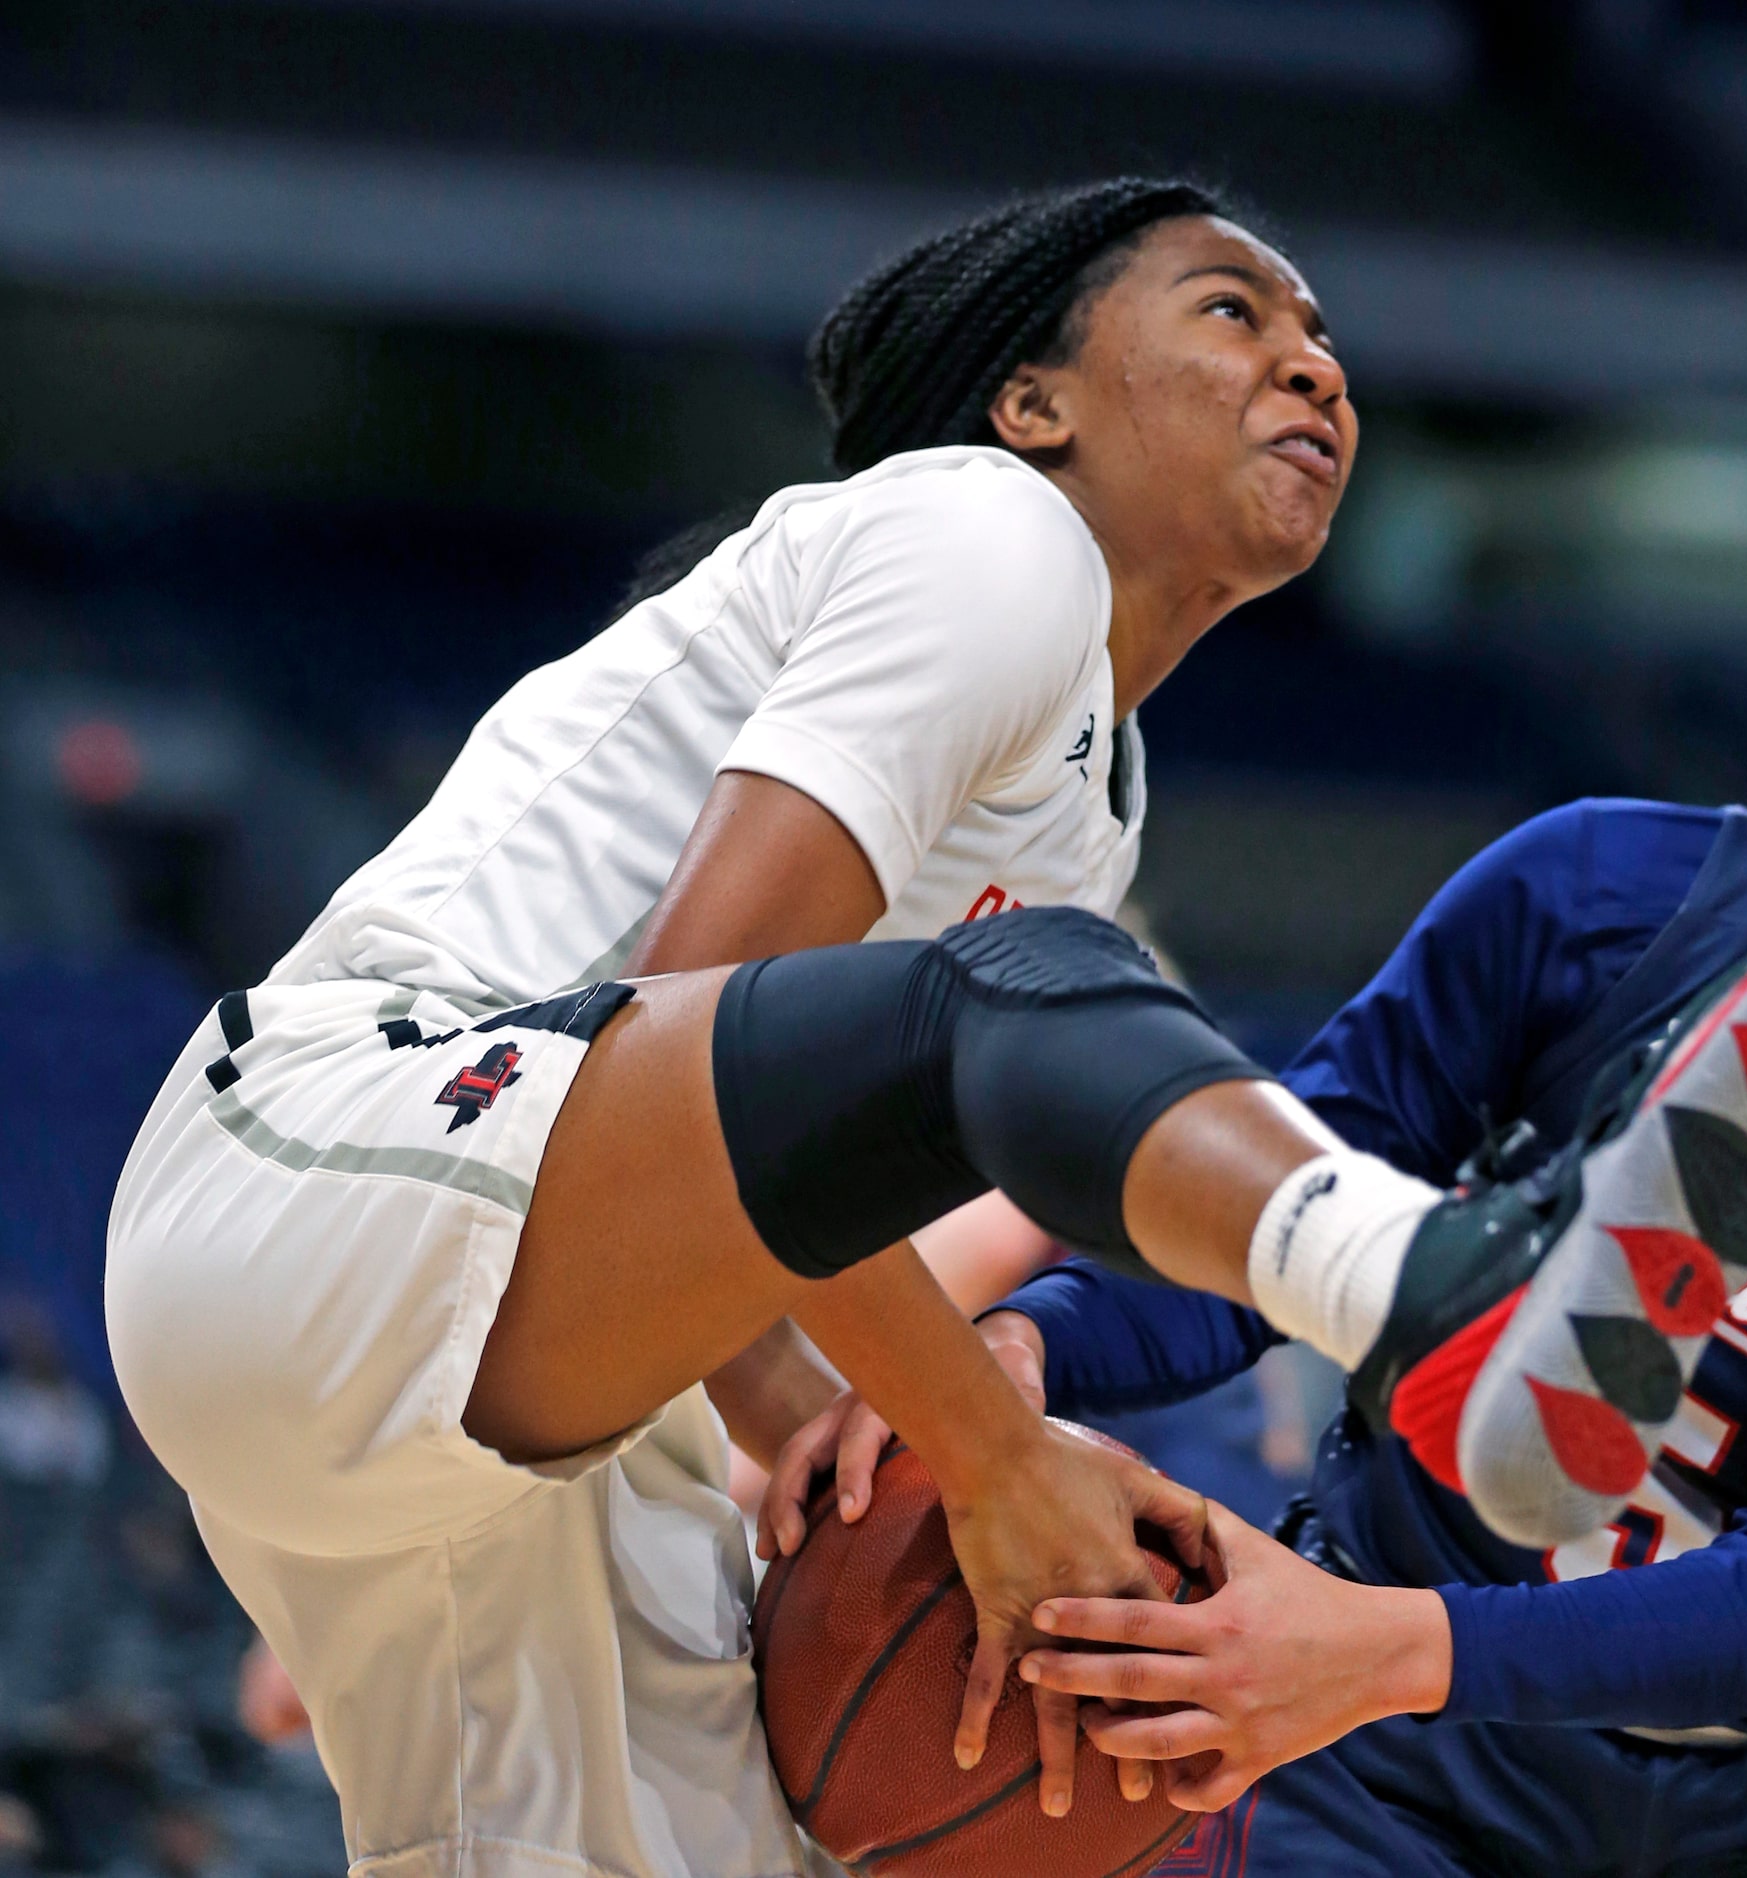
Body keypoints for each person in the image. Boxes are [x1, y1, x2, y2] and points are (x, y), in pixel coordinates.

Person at [106, 175, 1367, 1878]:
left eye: (1319, 337)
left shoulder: (1089, 810)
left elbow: (772, 1207)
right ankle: (1411, 1258)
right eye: (1235, 312)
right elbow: (704, 999)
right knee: (1025, 1013)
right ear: (1033, 402)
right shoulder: (992, 534)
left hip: (541, 1376)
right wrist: (981, 1449)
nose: (1310, 367)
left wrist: (860, 1444)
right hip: (351, 1153)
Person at [775, 489, 1747, 1873]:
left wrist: (1380, 1647)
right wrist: (1031, 1344)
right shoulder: (1596, 894)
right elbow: (1262, 1215)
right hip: (1393, 1758)